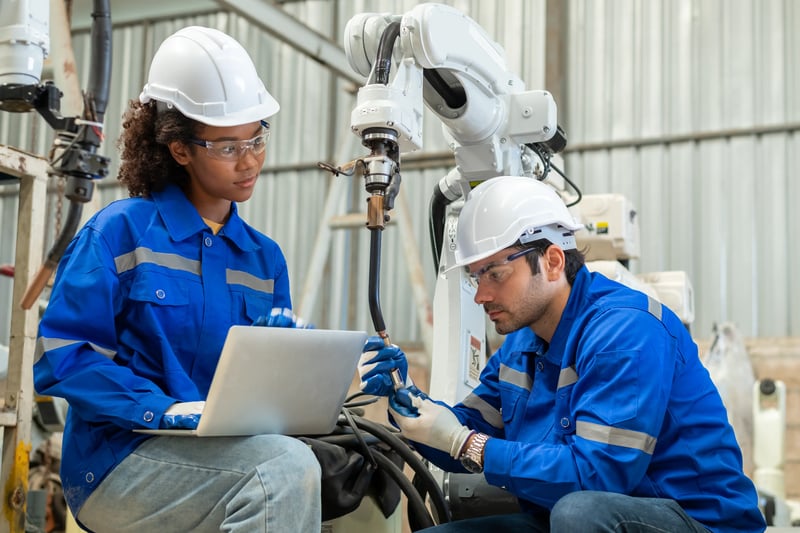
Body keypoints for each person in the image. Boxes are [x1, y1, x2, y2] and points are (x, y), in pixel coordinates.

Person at [358, 175, 766, 532]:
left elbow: (600, 476)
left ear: (552, 261)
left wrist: (468, 444)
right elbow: (458, 429)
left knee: (579, 513)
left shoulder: (625, 331)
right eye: (476, 277)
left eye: (495, 274)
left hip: (694, 522)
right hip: (572, 519)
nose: (482, 295)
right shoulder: (522, 342)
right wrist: (408, 402)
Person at [33, 26, 320, 532]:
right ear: (180, 149)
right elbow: (62, 357)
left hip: (222, 456)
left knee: (314, 464)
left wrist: (292, 372)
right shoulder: (118, 234)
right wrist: (160, 411)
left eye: (257, 138)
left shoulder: (264, 260)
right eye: (228, 147)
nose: (250, 159)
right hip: (119, 460)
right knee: (280, 471)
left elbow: (260, 396)